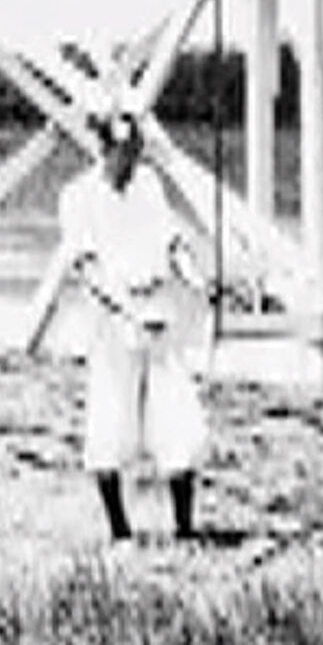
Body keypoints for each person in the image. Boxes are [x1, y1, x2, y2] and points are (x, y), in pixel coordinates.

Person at [27, 108, 212, 544]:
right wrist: (128, 310)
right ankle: (120, 532)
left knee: (178, 417)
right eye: (124, 152)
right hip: (112, 322)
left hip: (157, 310)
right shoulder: (78, 197)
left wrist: (197, 280)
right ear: (105, 150)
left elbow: (172, 242)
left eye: (136, 151)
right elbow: (88, 268)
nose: (131, 161)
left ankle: (185, 529)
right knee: (110, 422)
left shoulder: (148, 185)